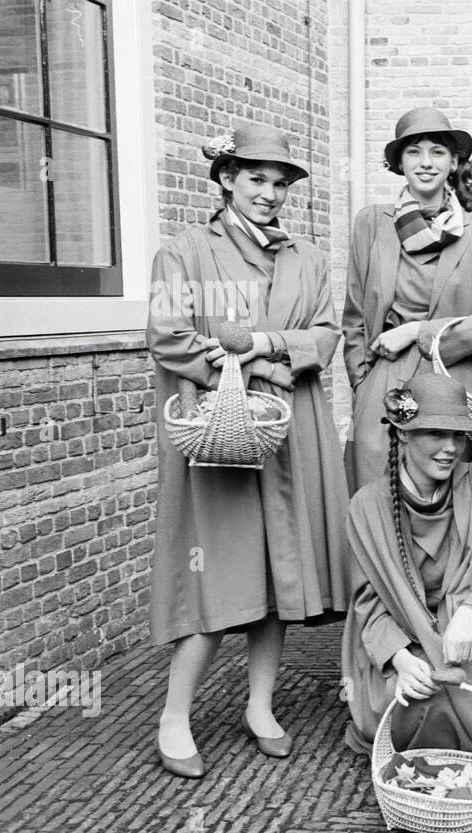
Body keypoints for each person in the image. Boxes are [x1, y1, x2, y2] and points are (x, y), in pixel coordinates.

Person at [147, 123, 349, 778]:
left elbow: (326, 334)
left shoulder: (309, 260)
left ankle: (260, 704)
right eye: (256, 178)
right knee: (218, 573)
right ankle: (174, 714)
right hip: (220, 433)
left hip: (290, 436)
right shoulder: (183, 253)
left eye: (279, 183)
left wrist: (262, 348)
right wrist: (247, 363)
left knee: (278, 571)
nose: (269, 192)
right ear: (227, 179)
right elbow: (170, 336)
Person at [341, 107, 472, 594]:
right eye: (414, 151)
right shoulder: (372, 224)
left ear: (455, 163)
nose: (425, 162)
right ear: (399, 162)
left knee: (461, 516)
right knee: (385, 512)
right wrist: (365, 382)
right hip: (387, 391)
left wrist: (419, 332)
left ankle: (464, 637)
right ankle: (390, 652)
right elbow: (352, 318)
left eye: (438, 152)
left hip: (461, 392)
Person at [340, 372, 472, 791]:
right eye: (436, 433)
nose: (451, 447)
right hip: (407, 638)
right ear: (402, 435)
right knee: (417, 696)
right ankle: (464, 753)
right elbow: (367, 601)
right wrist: (398, 659)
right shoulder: (367, 505)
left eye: (458, 434)